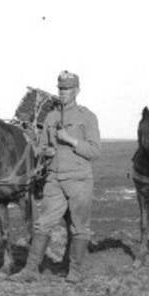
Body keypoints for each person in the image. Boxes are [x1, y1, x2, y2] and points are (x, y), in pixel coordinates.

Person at [11, 70, 101, 283]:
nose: (62, 92)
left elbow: (95, 151)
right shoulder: (51, 117)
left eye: (67, 89)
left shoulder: (87, 117)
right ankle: (31, 269)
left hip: (79, 179)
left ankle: (75, 272)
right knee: (42, 224)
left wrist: (70, 140)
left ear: (77, 90)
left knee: (79, 226)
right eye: (60, 88)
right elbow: (41, 147)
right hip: (54, 179)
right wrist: (46, 151)